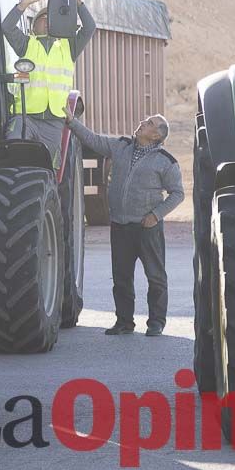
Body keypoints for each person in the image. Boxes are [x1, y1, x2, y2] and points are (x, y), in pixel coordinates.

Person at [2, 0, 95, 326]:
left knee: (50, 177)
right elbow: (7, 27)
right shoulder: (25, 44)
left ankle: (48, 208)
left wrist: (78, 3)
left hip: (54, 121)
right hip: (25, 115)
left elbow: (91, 28)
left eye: (46, 18)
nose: (44, 23)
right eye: (40, 19)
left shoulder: (67, 47)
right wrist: (25, 2)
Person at [65, 110, 184, 336]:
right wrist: (72, 122)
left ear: (157, 136)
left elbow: (177, 194)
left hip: (147, 228)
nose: (142, 123)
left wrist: (156, 215)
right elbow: (93, 140)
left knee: (155, 277)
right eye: (145, 120)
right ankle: (124, 322)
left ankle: (156, 323)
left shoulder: (166, 161)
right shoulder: (120, 146)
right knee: (121, 277)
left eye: (149, 123)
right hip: (120, 226)